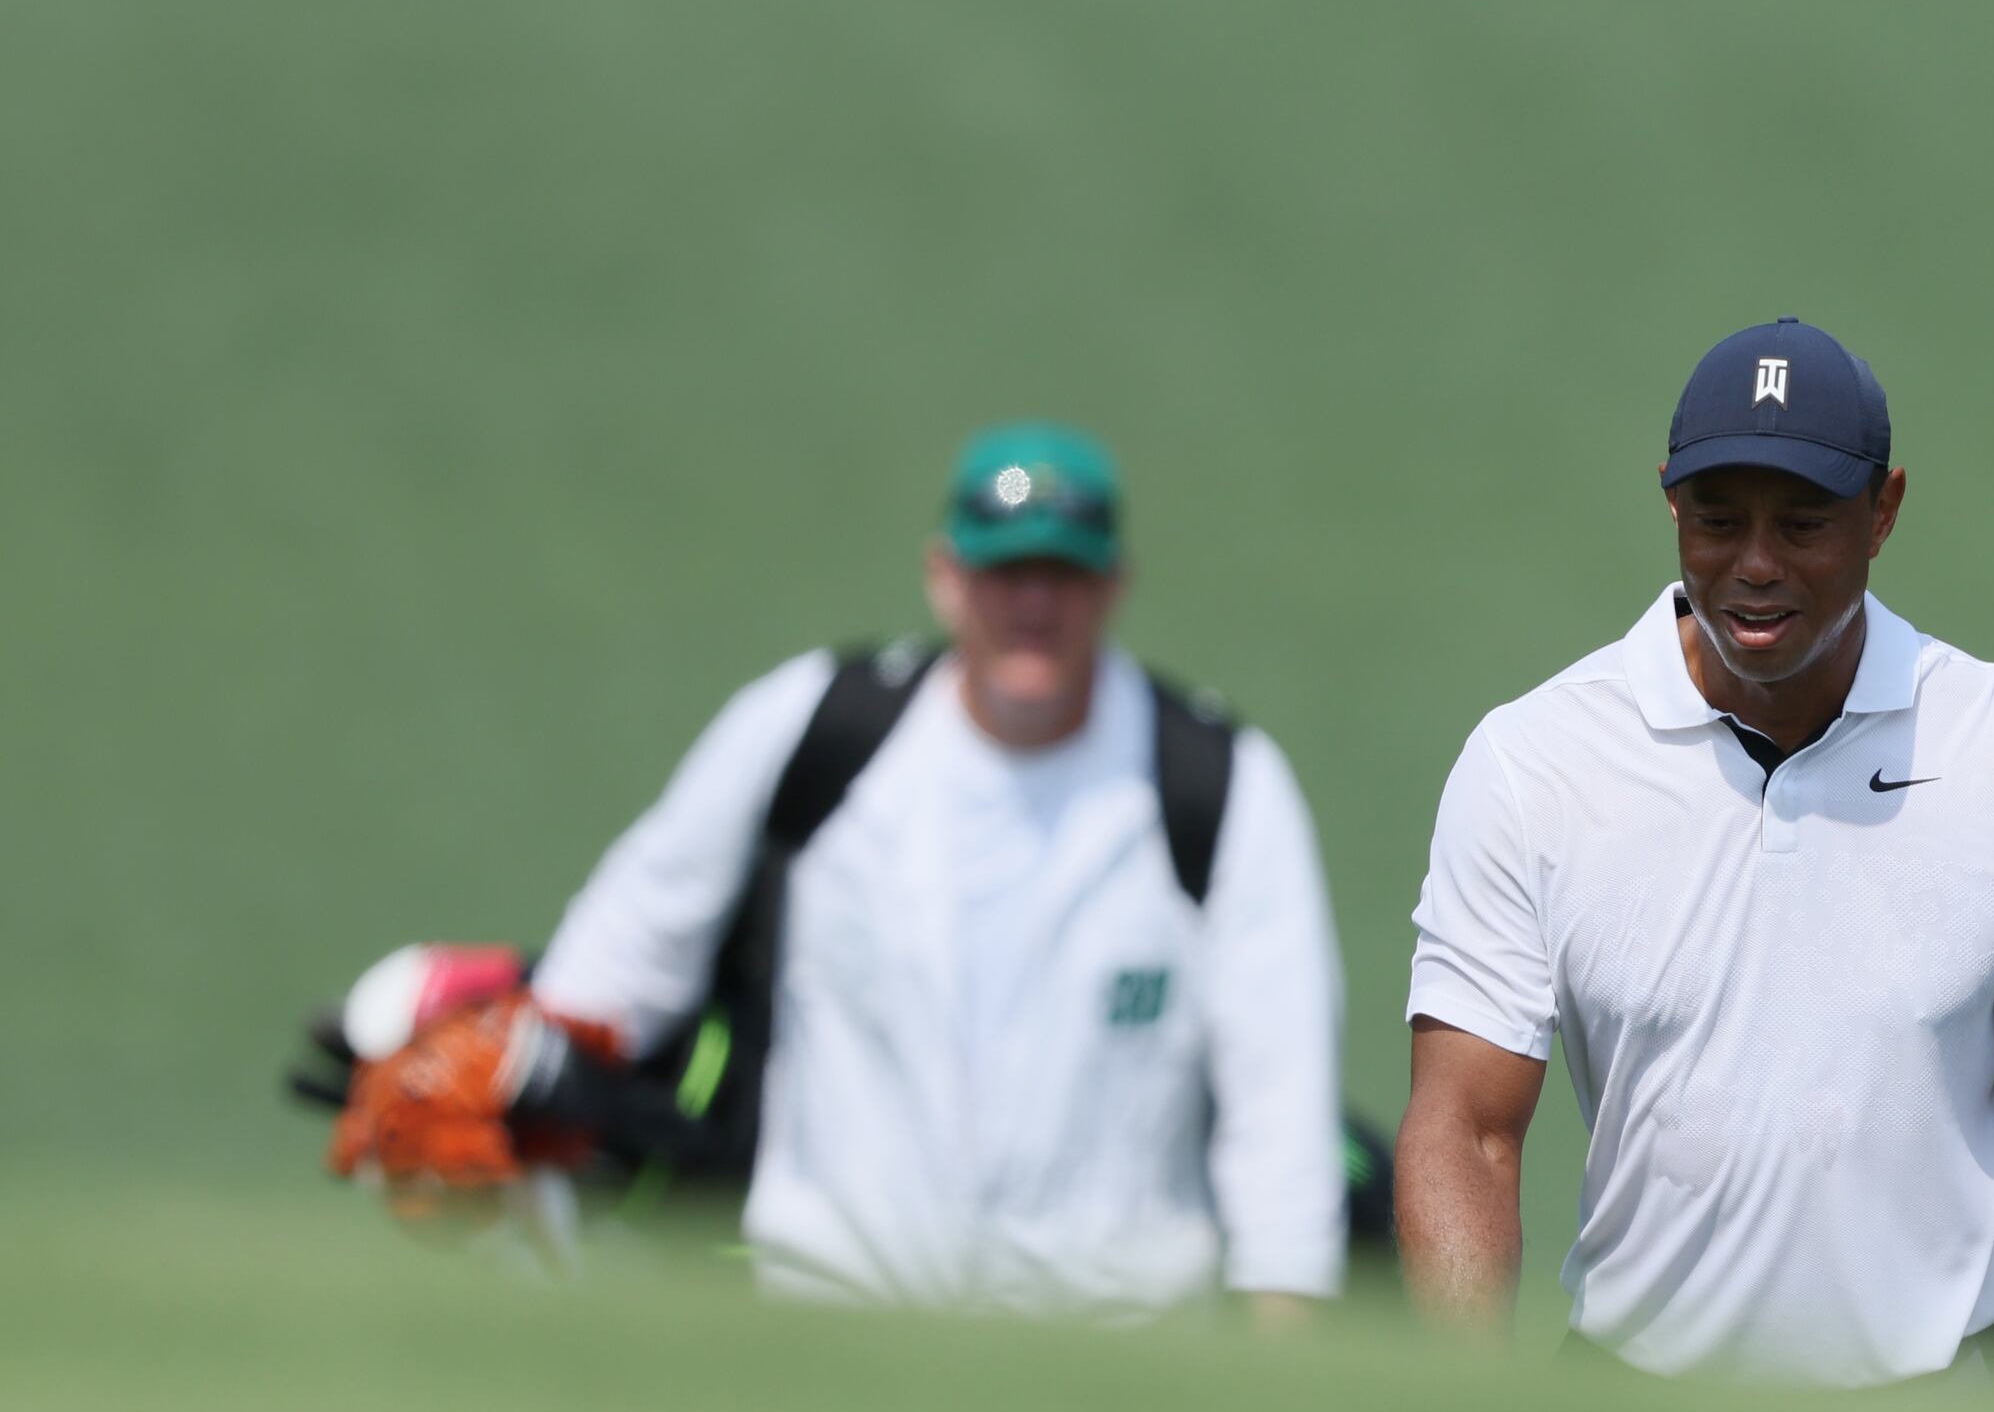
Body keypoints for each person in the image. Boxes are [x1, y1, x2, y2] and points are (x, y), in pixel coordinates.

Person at [1397, 319, 1994, 1391]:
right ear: (1671, 501)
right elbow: (1466, 1132)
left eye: (1804, 524)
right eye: (1718, 522)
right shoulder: (1533, 766)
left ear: (1883, 513)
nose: (1756, 567)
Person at [449, 424, 1352, 1316]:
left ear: (1114, 585)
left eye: (1064, 574)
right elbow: (622, 962)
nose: (1034, 603)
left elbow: (1280, 1097)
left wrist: (1285, 1341)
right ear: (945, 578)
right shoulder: (813, 728)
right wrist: (504, 1081)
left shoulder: (1218, 781)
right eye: (1005, 572)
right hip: (833, 1328)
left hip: (1116, 1352)